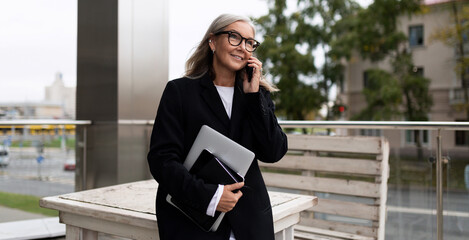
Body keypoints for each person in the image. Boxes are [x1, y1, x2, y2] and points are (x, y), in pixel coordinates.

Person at [147, 13, 288, 240]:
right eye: (234, 37)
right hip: (191, 220)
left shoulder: (256, 95)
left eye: (249, 42)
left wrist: (254, 99)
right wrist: (210, 196)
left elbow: (273, 152)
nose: (243, 47)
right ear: (212, 41)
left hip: (249, 221)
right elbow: (161, 160)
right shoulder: (179, 92)